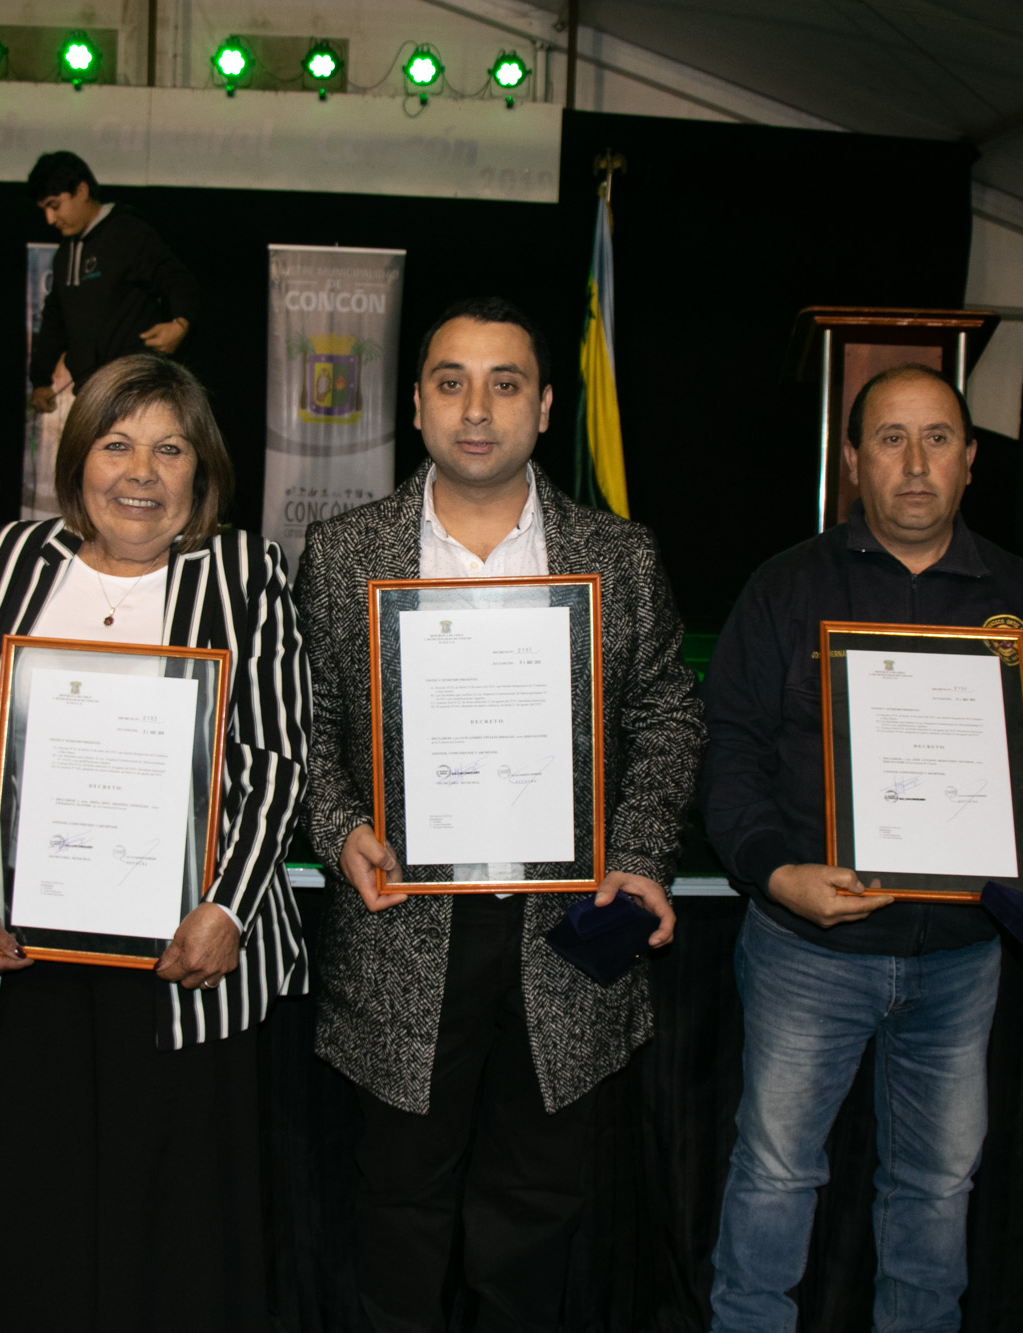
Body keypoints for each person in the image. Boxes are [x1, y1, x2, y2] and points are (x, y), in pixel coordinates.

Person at [294, 297, 706, 1331]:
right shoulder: (343, 552)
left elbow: (666, 714)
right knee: (398, 1210)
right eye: (451, 382)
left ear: (545, 405)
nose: (475, 408)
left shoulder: (619, 554)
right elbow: (308, 723)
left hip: (567, 928)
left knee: (534, 1212)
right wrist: (339, 829)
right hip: (401, 926)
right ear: (417, 404)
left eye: (504, 383)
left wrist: (640, 852)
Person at [699, 364, 1023, 1332]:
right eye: (891, 438)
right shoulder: (785, 588)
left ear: (970, 460)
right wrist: (775, 871)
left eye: (938, 438)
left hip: (963, 956)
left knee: (937, 1187)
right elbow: (729, 754)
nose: (916, 462)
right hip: (808, 951)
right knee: (774, 1174)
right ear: (853, 461)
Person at [0, 354, 309, 1330]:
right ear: (78, 460)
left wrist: (226, 907)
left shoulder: (243, 572)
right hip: (29, 952)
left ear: (201, 470)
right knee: (38, 1213)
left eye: (169, 449)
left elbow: (275, 759)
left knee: (171, 1231)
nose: (140, 472)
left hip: (186, 959)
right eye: (116, 443)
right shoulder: (13, 560)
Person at [25, 150, 199, 414]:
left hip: (136, 391)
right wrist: (40, 380)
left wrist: (180, 324)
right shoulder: (64, 255)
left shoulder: (126, 233)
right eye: (44, 210)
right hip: (91, 394)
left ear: (82, 191)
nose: (50, 219)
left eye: (55, 205)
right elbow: (54, 321)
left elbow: (177, 277)